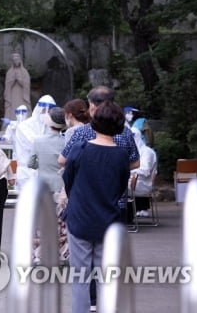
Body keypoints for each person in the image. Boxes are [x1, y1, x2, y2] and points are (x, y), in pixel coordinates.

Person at [58, 86, 139, 311]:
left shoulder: (80, 149)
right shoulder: (122, 156)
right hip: (109, 219)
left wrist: (78, 196)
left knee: (80, 277)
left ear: (93, 121)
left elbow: (68, 178)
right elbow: (121, 186)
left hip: (81, 218)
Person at [14, 94, 56, 191]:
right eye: (44, 110)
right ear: (38, 109)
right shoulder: (24, 126)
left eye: (49, 111)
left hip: (45, 174)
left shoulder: (49, 127)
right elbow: (37, 144)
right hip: (26, 173)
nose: (46, 113)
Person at [28, 107, 66, 194]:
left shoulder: (38, 140)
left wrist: (42, 165)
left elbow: (30, 163)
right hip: (61, 185)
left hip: (43, 185)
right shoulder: (66, 141)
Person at [130, 127, 158, 217]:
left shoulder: (146, 152)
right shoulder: (135, 152)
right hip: (135, 182)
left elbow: (145, 170)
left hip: (143, 184)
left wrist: (127, 171)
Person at [4, 53, 32, 120]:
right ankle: (10, 123)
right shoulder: (9, 72)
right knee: (12, 109)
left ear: (20, 60)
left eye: (17, 59)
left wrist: (20, 80)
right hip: (12, 96)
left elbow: (27, 84)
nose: (16, 61)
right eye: (14, 60)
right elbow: (7, 84)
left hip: (22, 96)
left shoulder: (24, 72)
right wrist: (12, 80)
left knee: (23, 108)